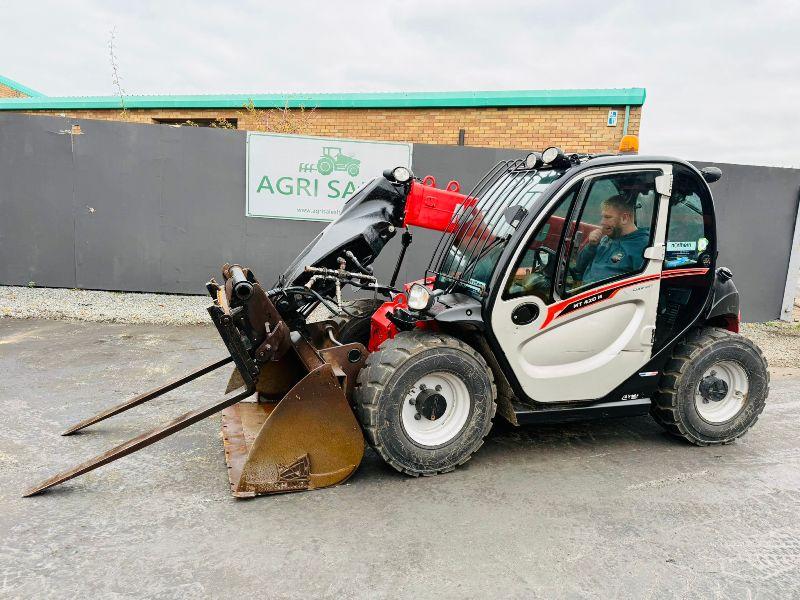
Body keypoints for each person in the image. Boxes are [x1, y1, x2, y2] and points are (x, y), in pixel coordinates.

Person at [573, 194, 649, 285]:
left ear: (624, 218)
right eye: (603, 217)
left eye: (607, 217)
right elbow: (579, 268)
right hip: (584, 291)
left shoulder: (642, 246)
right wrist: (591, 246)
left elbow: (643, 285)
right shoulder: (607, 238)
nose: (602, 222)